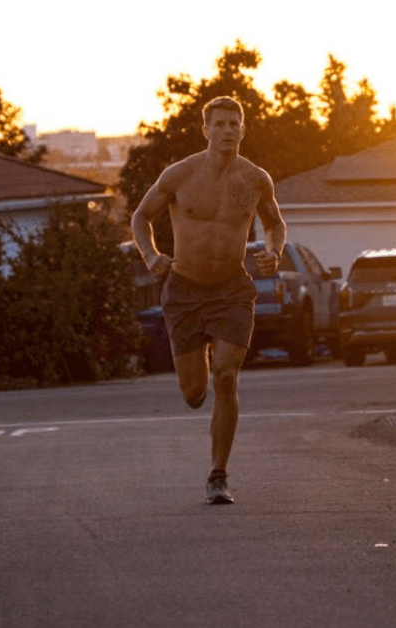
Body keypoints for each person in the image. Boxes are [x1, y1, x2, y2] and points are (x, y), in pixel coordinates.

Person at [131, 95, 286, 504]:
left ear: (242, 129)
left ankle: (218, 474)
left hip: (232, 289)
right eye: (219, 124)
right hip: (183, 290)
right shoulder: (180, 175)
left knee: (227, 375)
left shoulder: (255, 179)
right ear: (206, 130)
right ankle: (197, 360)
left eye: (234, 124)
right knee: (195, 393)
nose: (228, 131)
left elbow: (275, 224)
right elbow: (140, 216)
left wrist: (273, 251)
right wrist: (150, 256)